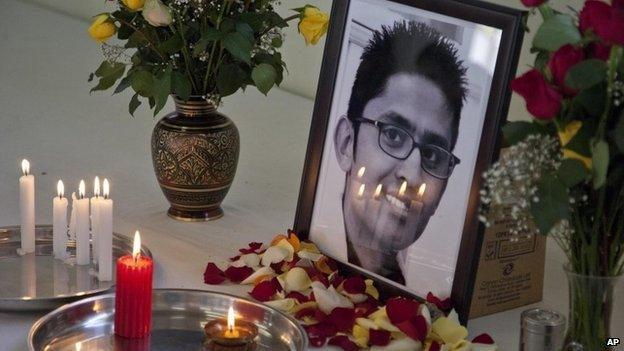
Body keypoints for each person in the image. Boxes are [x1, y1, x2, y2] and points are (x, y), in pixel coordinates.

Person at [333, 20, 467, 283]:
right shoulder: (309, 252)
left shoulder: (427, 293)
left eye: (432, 155)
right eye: (393, 135)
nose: (414, 177)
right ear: (347, 143)